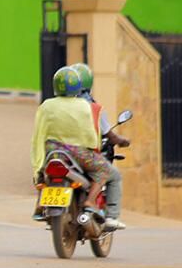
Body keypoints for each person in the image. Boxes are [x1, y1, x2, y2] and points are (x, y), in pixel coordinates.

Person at [31, 66, 123, 230]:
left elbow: (39, 132)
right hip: (79, 154)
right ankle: (90, 201)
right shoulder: (86, 106)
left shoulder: (46, 105)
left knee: (45, 174)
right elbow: (91, 134)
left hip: (53, 153)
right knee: (105, 170)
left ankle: (40, 203)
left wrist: (39, 156)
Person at [71, 63, 129, 229]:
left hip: (58, 152)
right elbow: (109, 134)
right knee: (113, 174)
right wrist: (122, 141)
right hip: (83, 154)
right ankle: (110, 216)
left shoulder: (53, 105)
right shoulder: (94, 108)